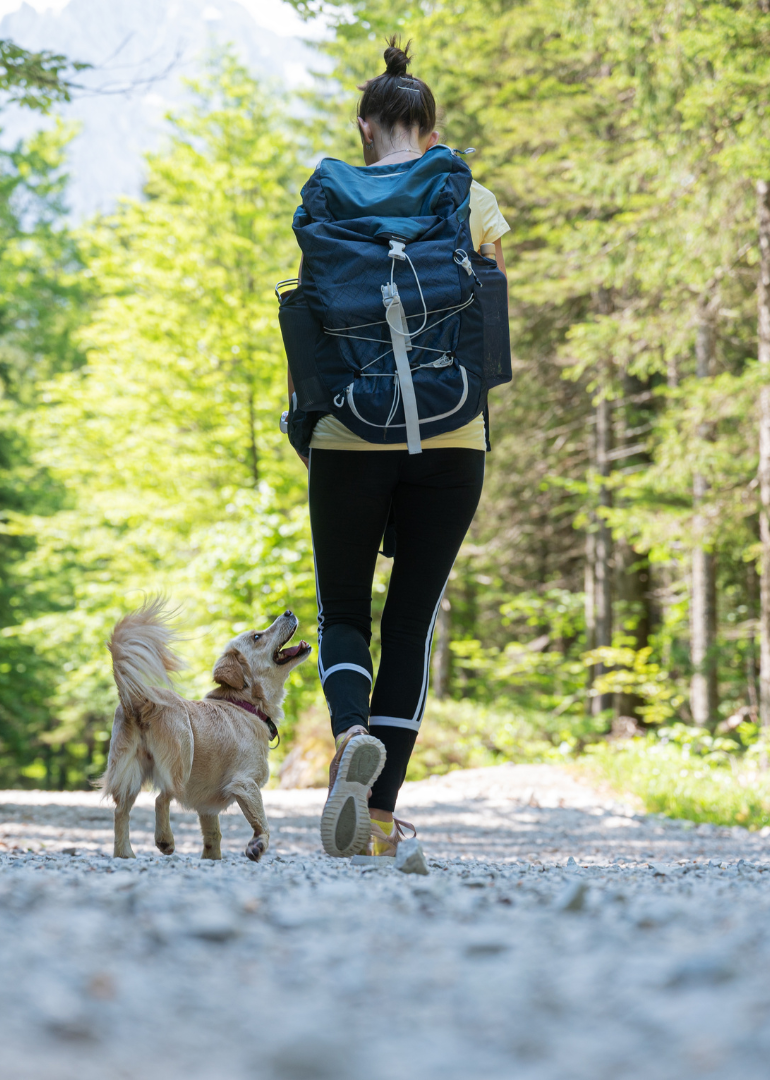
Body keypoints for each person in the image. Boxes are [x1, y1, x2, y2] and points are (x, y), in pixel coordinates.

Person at [291, 38, 510, 859]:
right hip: (452, 433)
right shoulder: (470, 197)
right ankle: (379, 816)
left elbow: (315, 320)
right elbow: (492, 322)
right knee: (410, 621)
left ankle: (350, 733)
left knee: (343, 610)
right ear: (430, 125)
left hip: (348, 429)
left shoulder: (328, 197)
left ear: (363, 127)